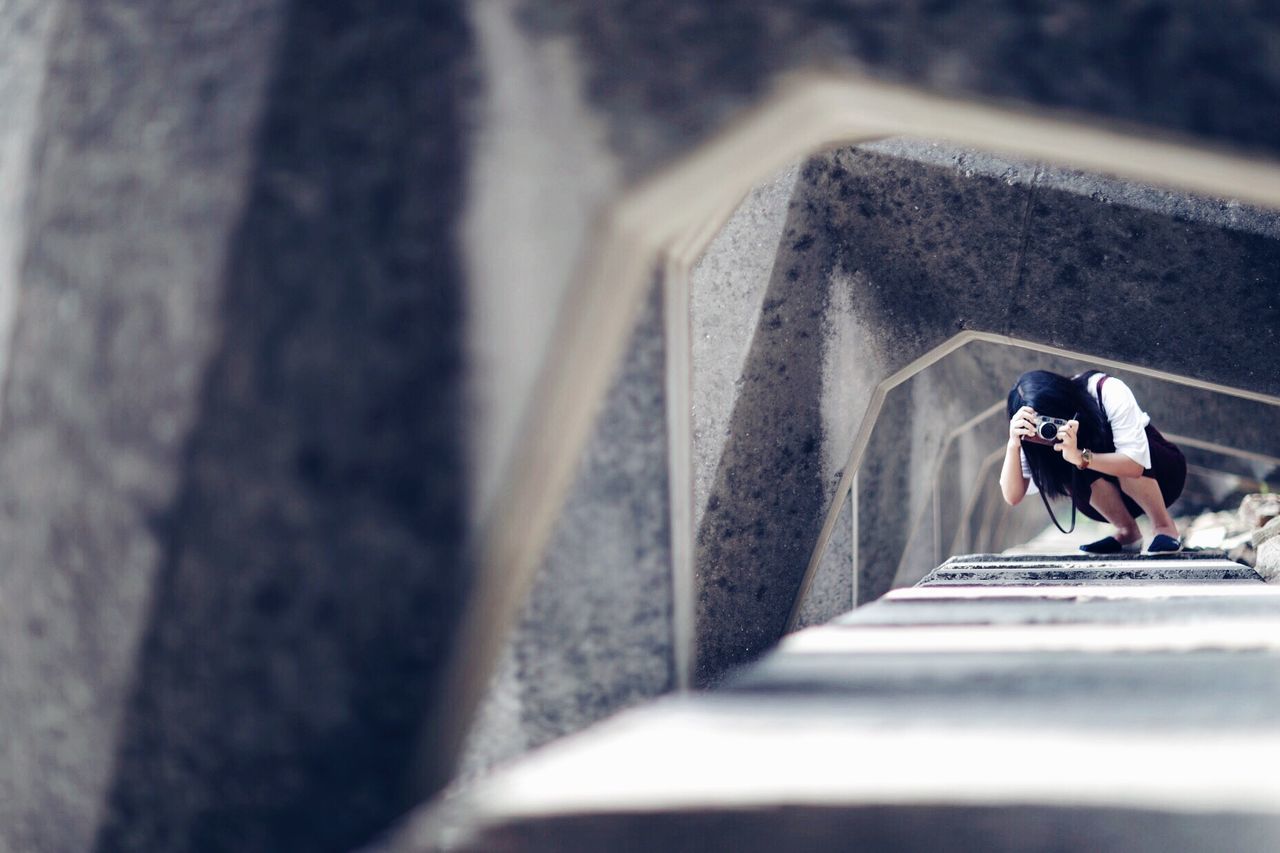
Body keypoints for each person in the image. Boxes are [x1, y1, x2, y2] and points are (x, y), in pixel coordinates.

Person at [999, 369, 1186, 553]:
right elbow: (1012, 496)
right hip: (1107, 505)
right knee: (1065, 465)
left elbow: (1134, 465)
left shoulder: (1106, 390)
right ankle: (1127, 533)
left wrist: (1080, 456)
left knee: (1125, 453)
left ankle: (1164, 527)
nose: (1047, 429)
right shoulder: (1030, 432)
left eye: (1051, 420)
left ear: (1063, 404)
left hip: (1164, 478)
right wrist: (1013, 444)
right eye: (1039, 424)